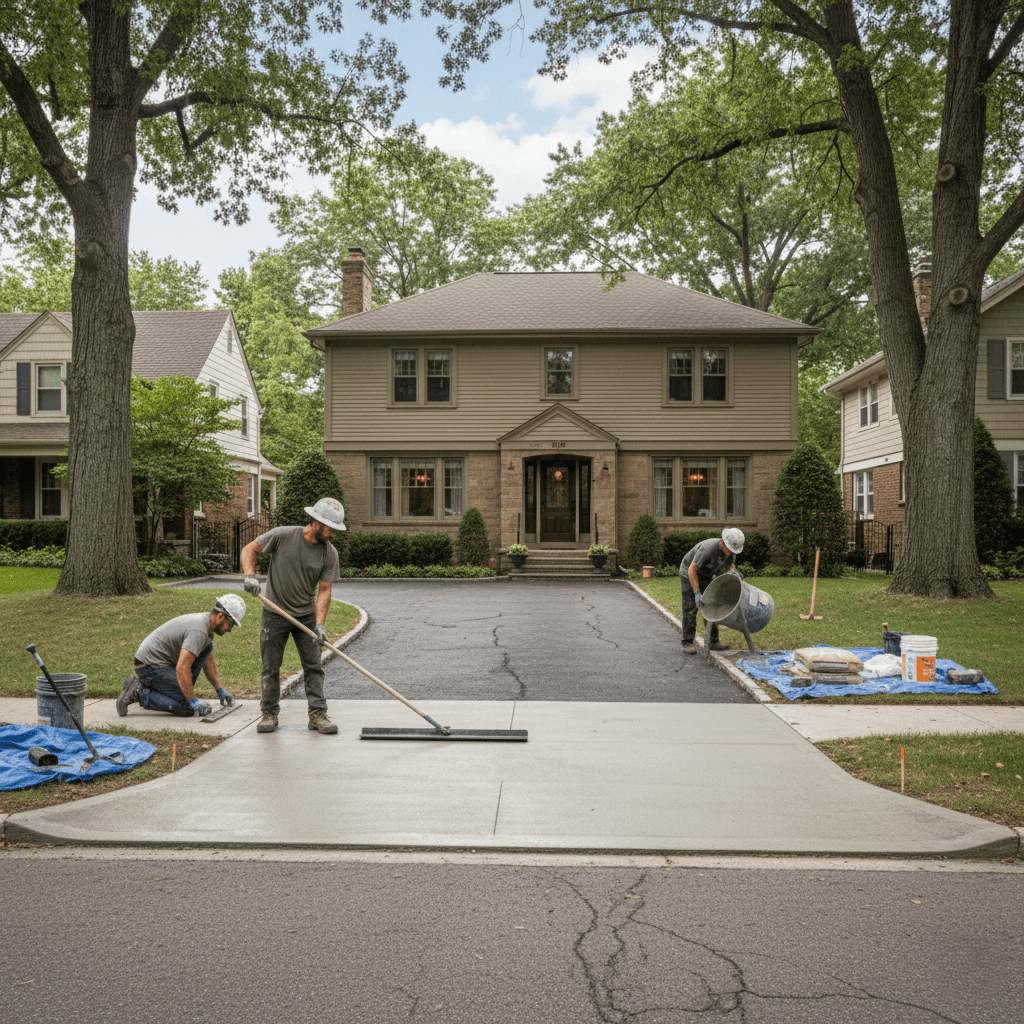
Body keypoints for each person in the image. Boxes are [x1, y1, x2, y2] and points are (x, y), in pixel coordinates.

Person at [241, 496, 344, 735]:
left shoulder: (330, 553)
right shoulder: (282, 535)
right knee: (270, 667)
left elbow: (325, 590)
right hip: (274, 612)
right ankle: (269, 713)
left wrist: (319, 624)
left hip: (306, 615)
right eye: (331, 529)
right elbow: (249, 549)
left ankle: (317, 713)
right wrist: (250, 576)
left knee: (314, 666)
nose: (333, 535)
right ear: (317, 523)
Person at [116, 594, 244, 717]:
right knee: (187, 707)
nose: (230, 629)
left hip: (159, 664)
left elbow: (207, 659)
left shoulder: (205, 628)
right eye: (230, 624)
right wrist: (191, 700)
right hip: (148, 667)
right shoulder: (199, 631)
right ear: (220, 616)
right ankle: (139, 692)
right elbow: (182, 667)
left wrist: (219, 689)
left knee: (207, 649)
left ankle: (165, 691)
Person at [679, 528, 745, 655]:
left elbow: (729, 564)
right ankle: (687, 642)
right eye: (729, 550)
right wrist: (697, 592)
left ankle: (713, 642)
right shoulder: (708, 548)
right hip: (689, 573)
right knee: (690, 607)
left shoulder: (731, 551)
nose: (730, 553)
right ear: (723, 543)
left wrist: (732, 571)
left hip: (707, 574)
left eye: (733, 551)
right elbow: (692, 570)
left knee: (713, 605)